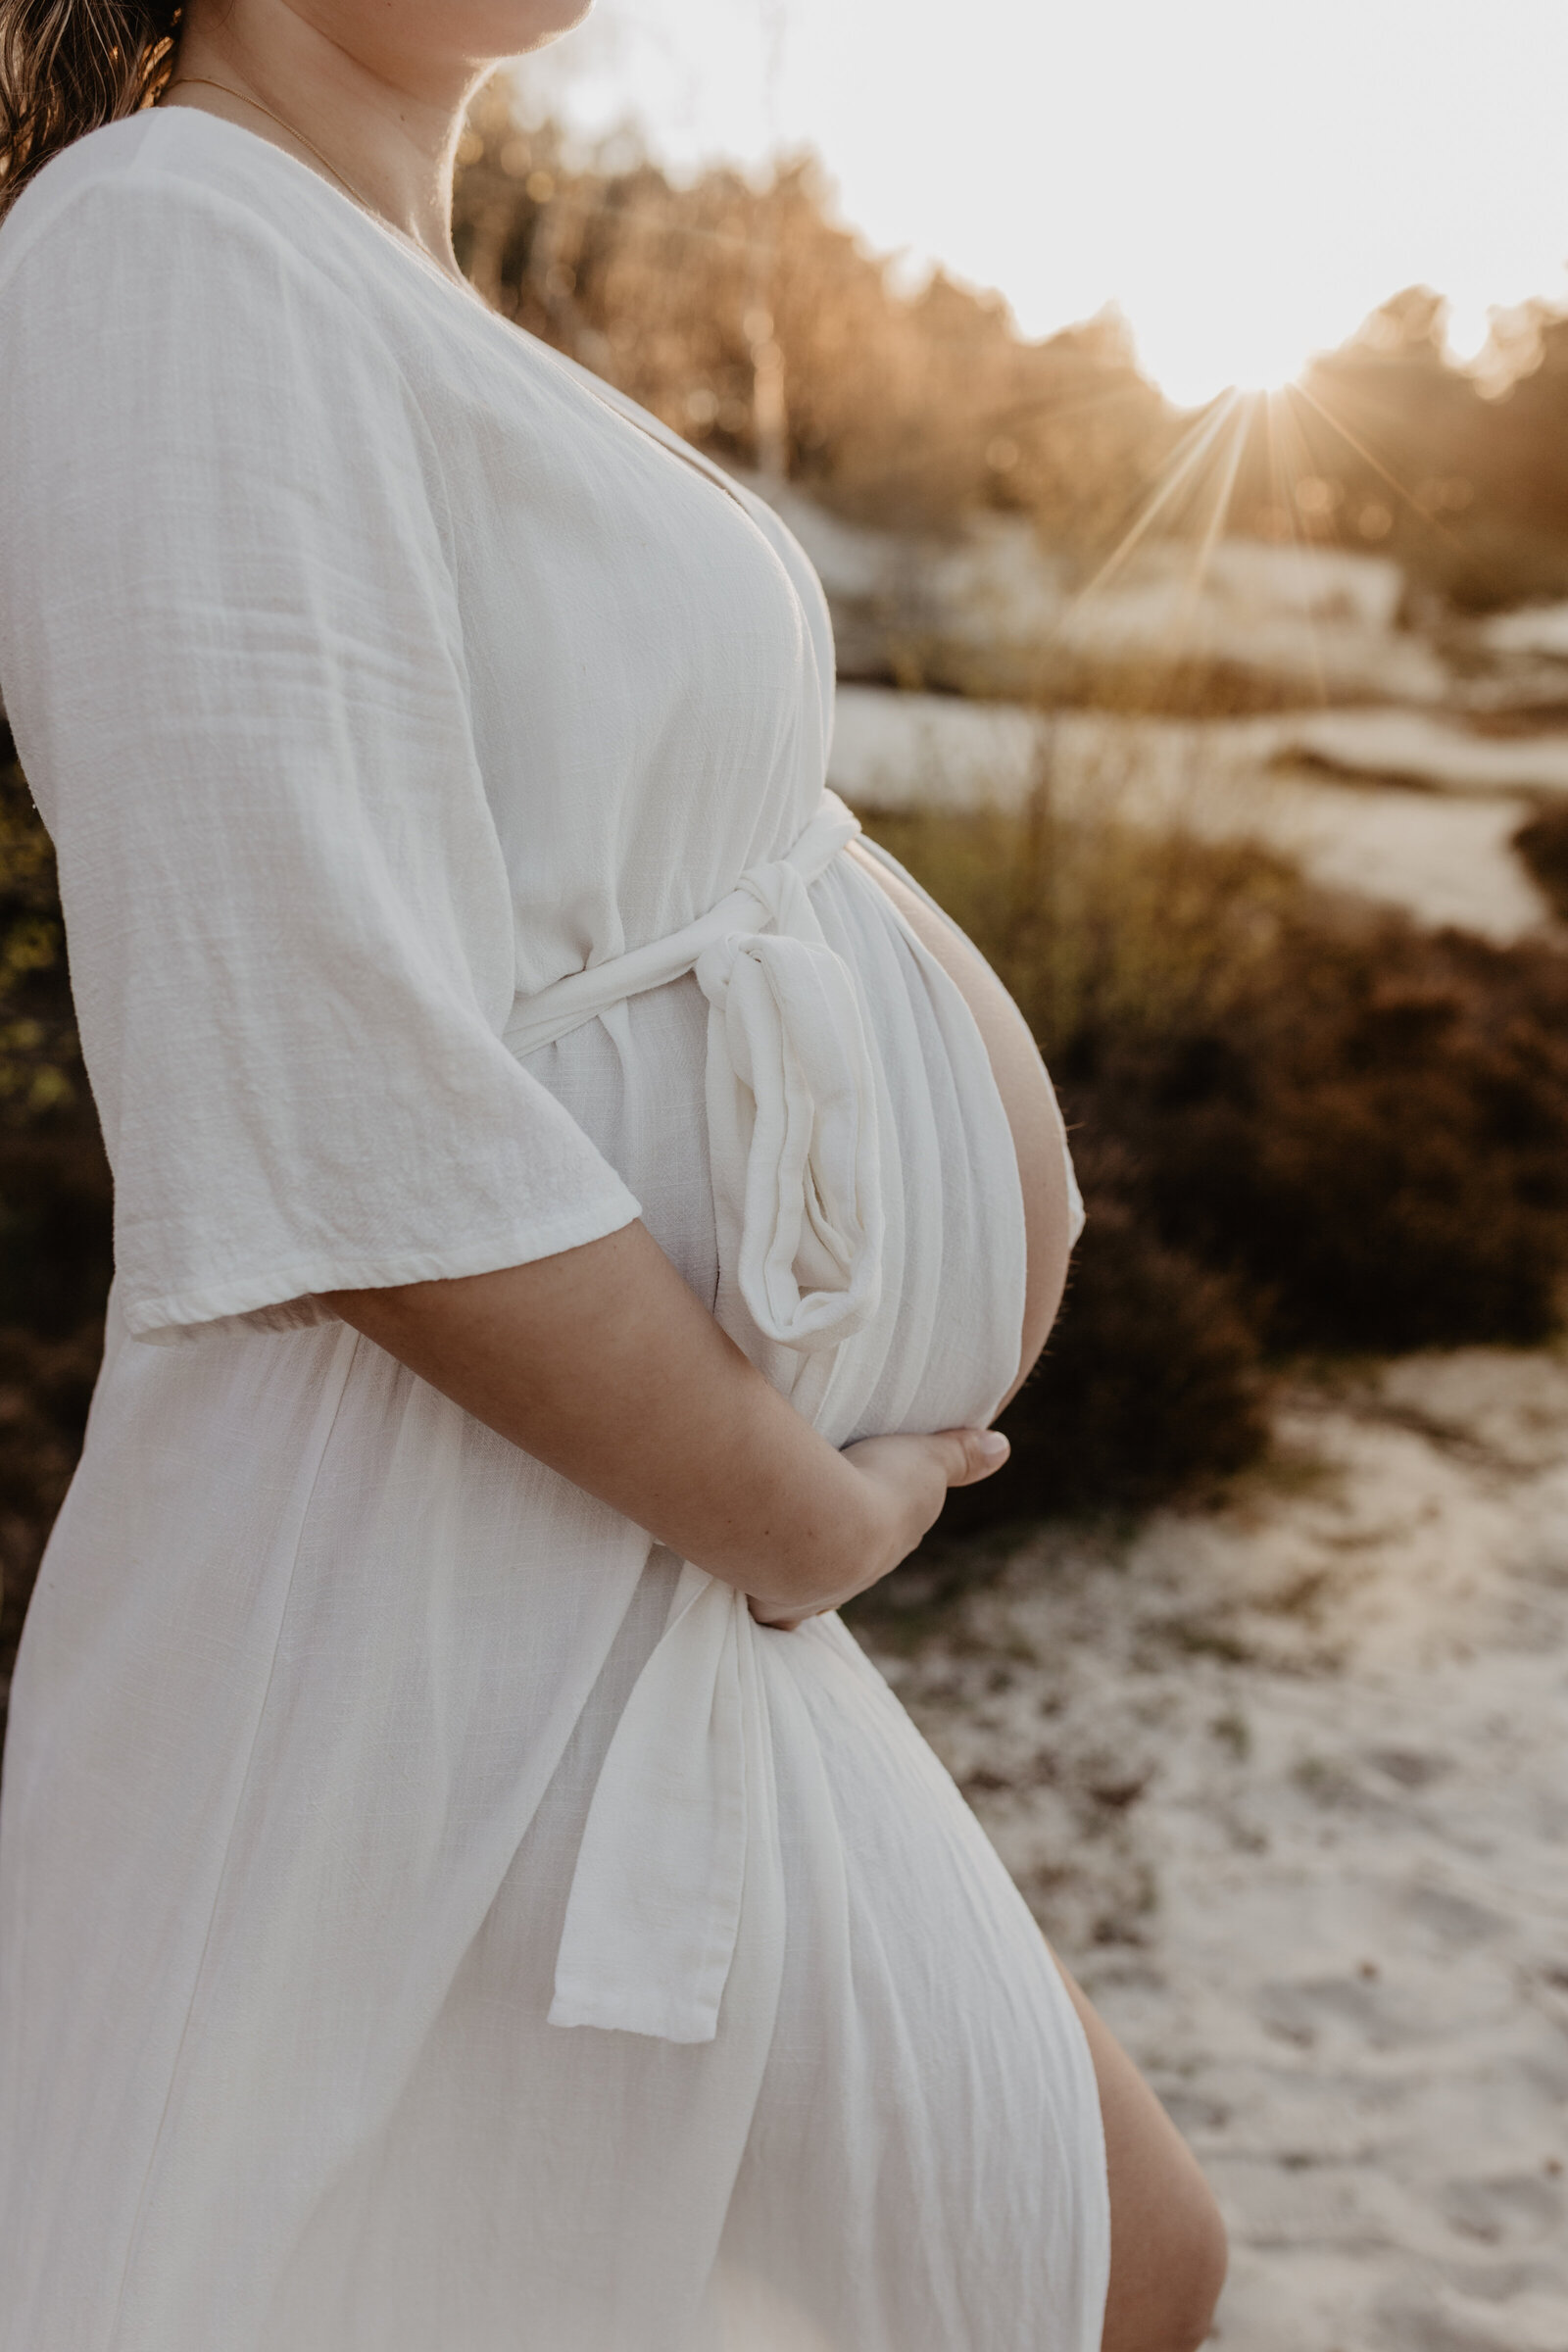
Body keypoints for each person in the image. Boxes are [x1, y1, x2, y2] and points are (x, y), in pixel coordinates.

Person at [0, 2, 1227, 2345]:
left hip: (613, 1559)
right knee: (1090, 2271)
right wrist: (803, 1515)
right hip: (435, 1569)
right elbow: (318, 1071)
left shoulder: (368, 277)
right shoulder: (160, 240)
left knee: (1104, 2259)